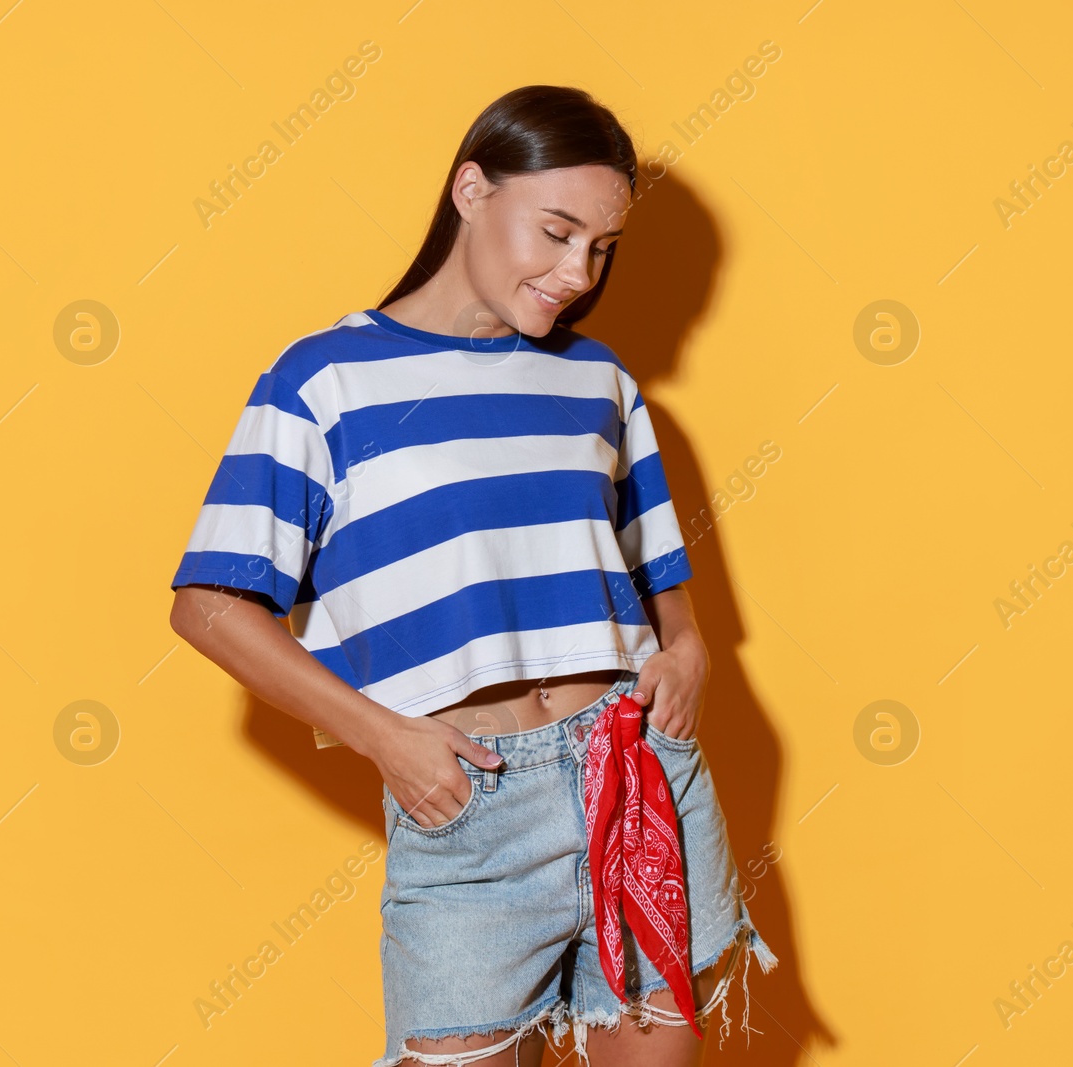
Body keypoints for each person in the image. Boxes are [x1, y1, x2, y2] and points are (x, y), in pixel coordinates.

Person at [166, 85, 776, 1067]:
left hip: (637, 773)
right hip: (473, 803)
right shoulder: (326, 380)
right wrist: (385, 741)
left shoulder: (598, 381)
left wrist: (691, 647)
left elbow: (654, 552)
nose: (576, 270)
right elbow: (211, 604)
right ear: (471, 189)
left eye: (601, 246)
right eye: (558, 229)